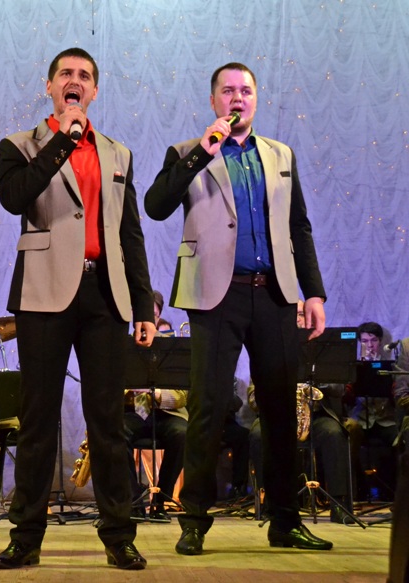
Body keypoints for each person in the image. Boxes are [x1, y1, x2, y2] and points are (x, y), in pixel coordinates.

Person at [144, 62, 332, 554]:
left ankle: (285, 520)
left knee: (280, 408)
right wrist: (201, 153)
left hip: (274, 293)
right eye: (227, 91)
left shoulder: (280, 154)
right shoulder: (187, 152)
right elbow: (156, 206)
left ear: (256, 98)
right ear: (213, 101)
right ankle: (194, 519)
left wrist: (313, 293)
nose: (237, 99)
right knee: (207, 407)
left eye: (245, 90)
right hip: (215, 294)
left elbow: (299, 226)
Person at [0, 47, 156, 571]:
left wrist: (144, 304)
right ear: (50, 86)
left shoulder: (117, 153)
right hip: (43, 292)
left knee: (107, 421)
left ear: (95, 90)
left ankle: (118, 535)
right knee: (38, 418)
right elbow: (16, 198)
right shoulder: (19, 145)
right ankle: (26, 537)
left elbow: (129, 232)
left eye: (84, 75)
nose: (75, 80)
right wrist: (63, 139)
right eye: (66, 73)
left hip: (104, 292)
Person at [249, 300, 352, 520]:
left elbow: (339, 387)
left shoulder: (323, 347)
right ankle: (268, 502)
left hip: (317, 416)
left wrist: (314, 384)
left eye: (301, 314)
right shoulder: (267, 346)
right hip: (276, 416)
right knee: (258, 435)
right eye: (292, 314)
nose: (297, 318)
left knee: (334, 433)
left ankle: (338, 503)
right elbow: (251, 396)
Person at [344, 321, 399, 500]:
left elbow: (396, 395)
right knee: (347, 436)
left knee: (400, 438)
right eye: (365, 341)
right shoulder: (352, 367)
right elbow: (346, 398)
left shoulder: (390, 366)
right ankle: (356, 490)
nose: (369, 345)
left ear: (380, 341)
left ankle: (394, 492)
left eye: (373, 340)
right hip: (361, 419)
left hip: (385, 419)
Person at [124, 387, 187, 521]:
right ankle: (133, 501)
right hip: (132, 413)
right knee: (118, 432)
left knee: (182, 435)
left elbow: (182, 396)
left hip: (169, 413)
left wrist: (156, 393)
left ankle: (161, 500)